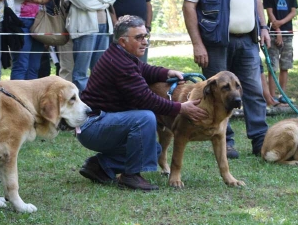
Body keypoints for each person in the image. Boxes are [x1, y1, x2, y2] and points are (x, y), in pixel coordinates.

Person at [76, 15, 208, 191]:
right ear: (123, 41)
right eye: (139, 37)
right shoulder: (120, 64)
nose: (145, 42)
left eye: (146, 36)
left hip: (97, 123)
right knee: (144, 118)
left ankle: (99, 165)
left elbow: (144, 69)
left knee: (153, 150)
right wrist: (180, 108)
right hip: (92, 125)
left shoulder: (122, 55)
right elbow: (145, 99)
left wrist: (167, 72)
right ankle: (131, 176)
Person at [182, 0, 271, 159]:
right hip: (216, 42)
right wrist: (197, 44)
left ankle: (260, 140)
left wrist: (263, 26)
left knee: (253, 90)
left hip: (248, 39)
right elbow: (189, 6)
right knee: (218, 93)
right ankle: (226, 139)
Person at [65, 0, 116, 92]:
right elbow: (86, 3)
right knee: (81, 71)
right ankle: (83, 102)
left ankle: (98, 101)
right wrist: (105, 1)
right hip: (86, 29)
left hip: (104, 27)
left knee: (100, 70)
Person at [263, 0, 298, 102]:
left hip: (287, 33)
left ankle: (283, 95)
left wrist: (282, 24)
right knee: (272, 66)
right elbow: (270, 15)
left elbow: (293, 12)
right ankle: (271, 96)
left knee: (285, 65)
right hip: (272, 34)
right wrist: (277, 31)